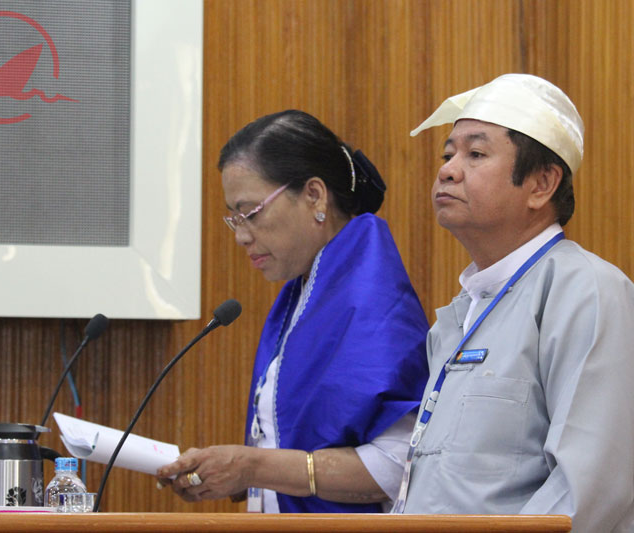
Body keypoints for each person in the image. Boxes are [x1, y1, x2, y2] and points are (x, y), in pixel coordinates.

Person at [392, 74, 634, 531]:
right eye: (448, 155)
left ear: (542, 184)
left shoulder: (589, 293)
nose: (448, 170)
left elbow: (584, 495)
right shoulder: (462, 311)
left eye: (475, 154)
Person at [157, 110, 430, 513]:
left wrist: (253, 467)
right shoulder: (306, 290)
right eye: (234, 218)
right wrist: (227, 472)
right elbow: (287, 444)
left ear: (314, 195)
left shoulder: (370, 297)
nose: (241, 235)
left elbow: (400, 465)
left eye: (251, 213)